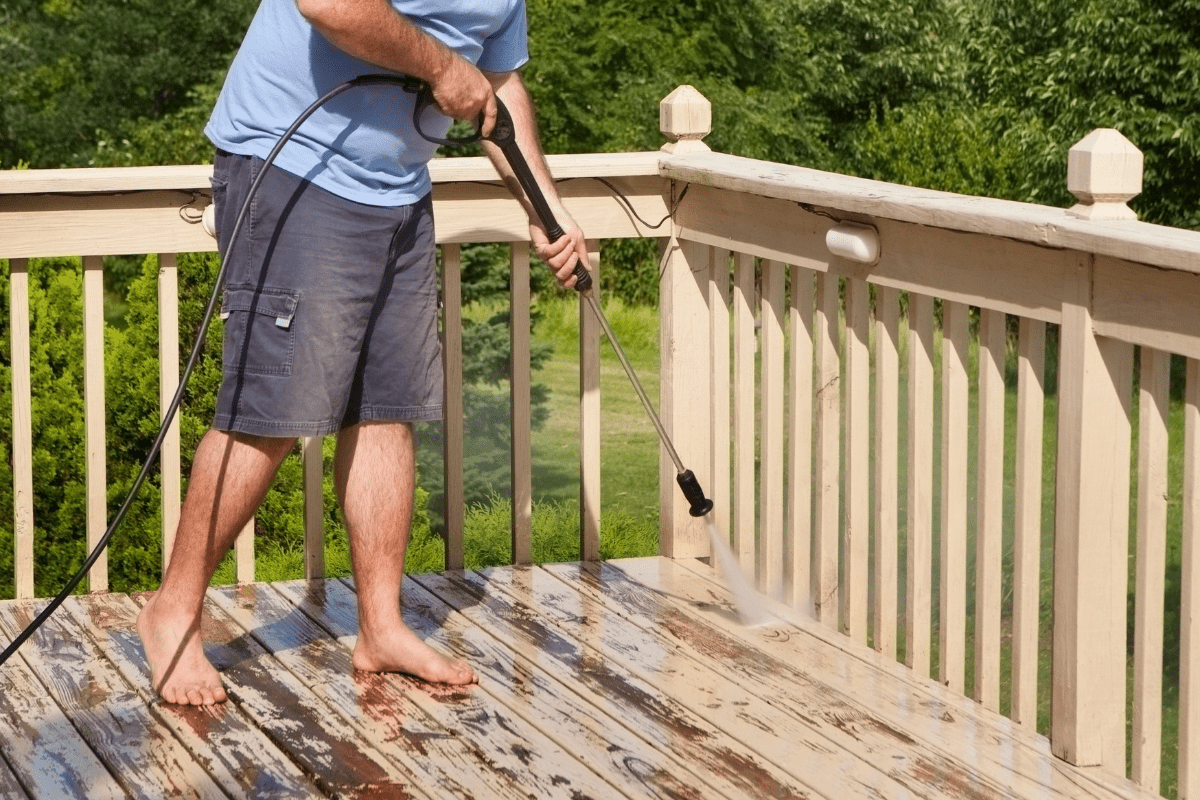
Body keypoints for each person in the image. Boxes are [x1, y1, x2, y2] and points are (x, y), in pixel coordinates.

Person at [136, 0, 589, 706]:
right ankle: (172, 611)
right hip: (291, 170)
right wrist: (441, 65)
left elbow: (497, 88)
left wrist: (547, 211)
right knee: (272, 411)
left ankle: (380, 626)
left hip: (398, 191)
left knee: (387, 409)